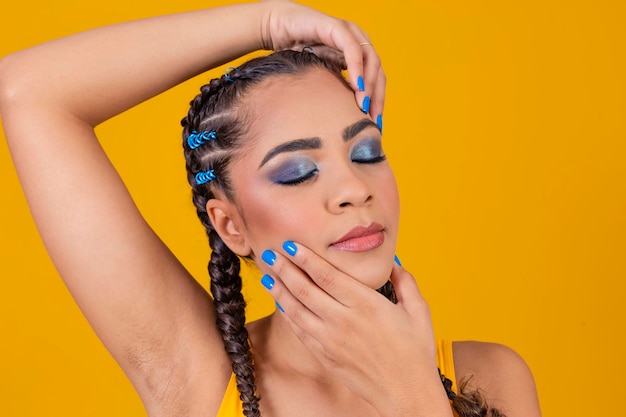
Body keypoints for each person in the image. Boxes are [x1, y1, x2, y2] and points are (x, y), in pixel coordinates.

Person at [0, 1, 541, 416]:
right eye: (297, 172)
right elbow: (29, 92)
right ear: (231, 225)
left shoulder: (492, 376)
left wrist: (416, 396)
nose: (354, 186)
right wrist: (269, 21)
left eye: (367, 152)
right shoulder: (204, 381)